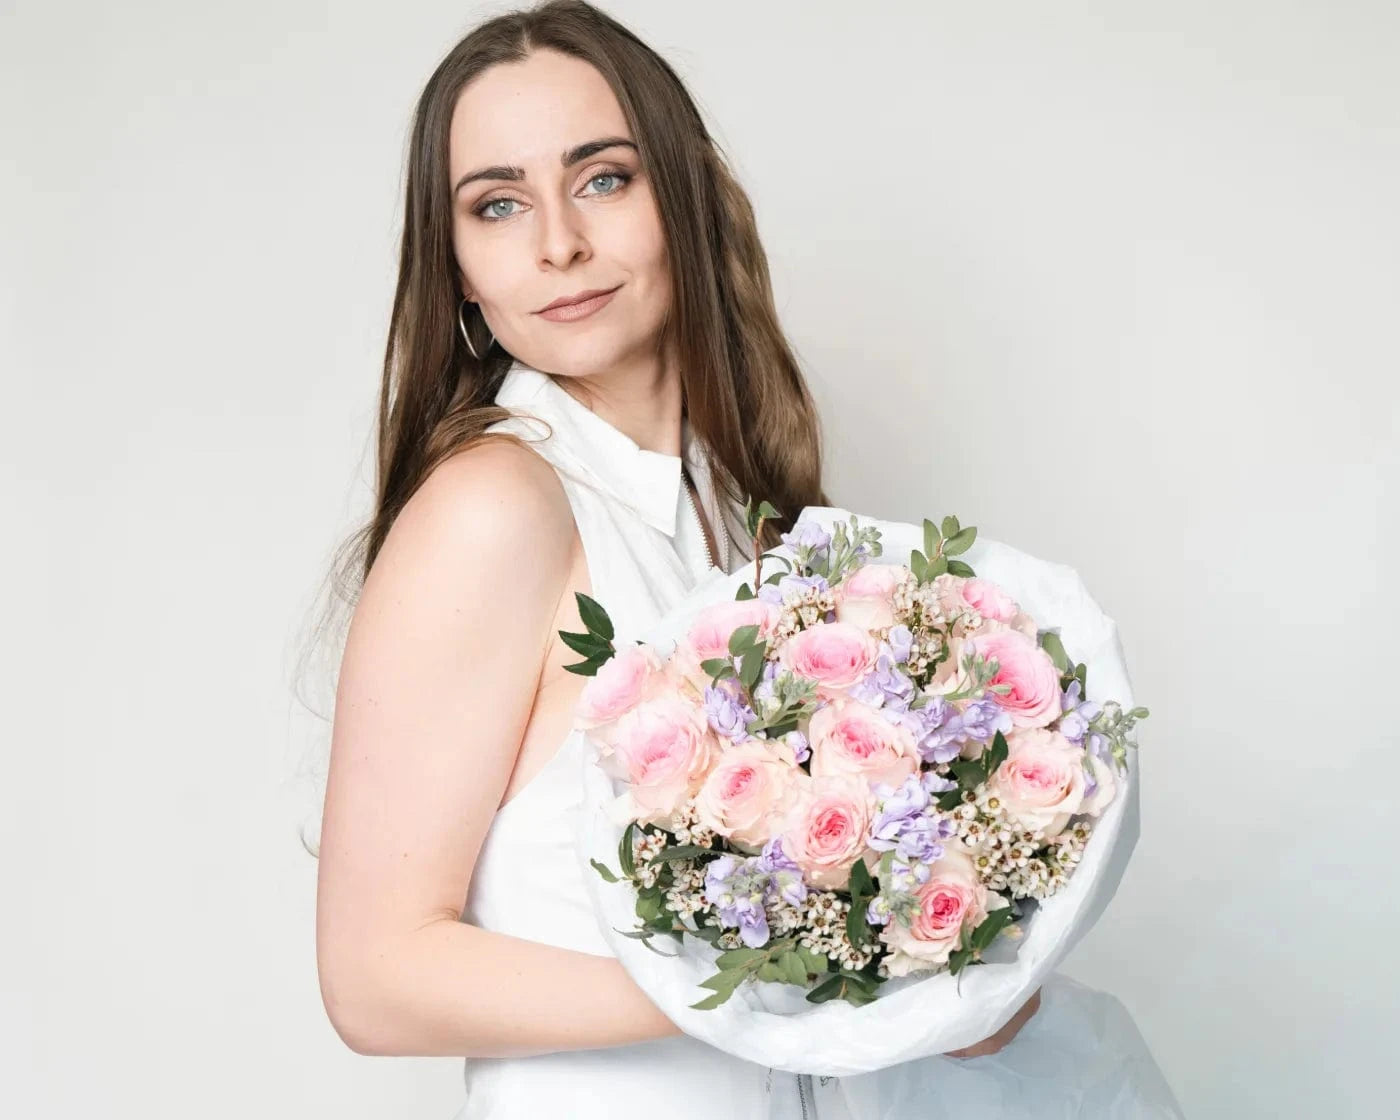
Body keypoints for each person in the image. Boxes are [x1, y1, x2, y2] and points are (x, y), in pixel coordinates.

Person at [310, 3, 1175, 1117]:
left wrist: (931, 970)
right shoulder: (494, 504)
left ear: (682, 192)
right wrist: (812, 989)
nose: (556, 243)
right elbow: (376, 979)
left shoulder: (744, 521)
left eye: (603, 179)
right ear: (462, 274)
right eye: (497, 204)